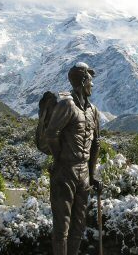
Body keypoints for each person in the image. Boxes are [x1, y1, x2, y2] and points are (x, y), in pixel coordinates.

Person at [45, 62, 101, 255]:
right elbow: (51, 134)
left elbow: (96, 143)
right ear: (83, 81)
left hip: (84, 173)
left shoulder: (93, 110)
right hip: (65, 172)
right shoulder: (67, 105)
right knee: (62, 227)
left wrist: (92, 175)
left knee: (79, 225)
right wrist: (59, 159)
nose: (92, 85)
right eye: (90, 81)